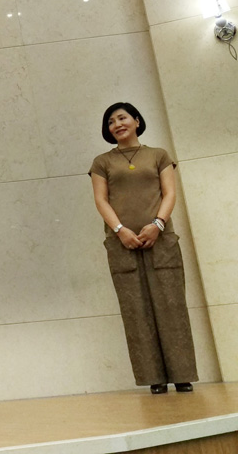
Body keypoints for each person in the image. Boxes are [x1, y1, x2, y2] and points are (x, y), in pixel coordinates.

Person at [89, 102, 197, 394]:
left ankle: (182, 375)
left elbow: (169, 193)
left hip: (161, 240)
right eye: (111, 121)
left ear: (136, 121)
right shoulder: (102, 162)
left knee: (172, 305)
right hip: (122, 243)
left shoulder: (159, 155)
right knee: (135, 310)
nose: (117, 124)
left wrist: (158, 224)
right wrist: (120, 230)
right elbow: (101, 200)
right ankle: (154, 379)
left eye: (122, 118)